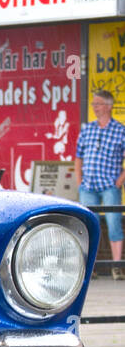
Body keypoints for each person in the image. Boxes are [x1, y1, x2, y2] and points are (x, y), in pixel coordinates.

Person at [74, 90, 125, 280]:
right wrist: (79, 181)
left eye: (98, 103)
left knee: (114, 223)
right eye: (93, 104)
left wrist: (120, 180)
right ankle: (90, 267)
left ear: (109, 106)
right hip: (88, 185)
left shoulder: (120, 130)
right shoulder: (87, 129)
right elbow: (78, 157)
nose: (95, 107)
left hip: (110, 184)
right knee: (88, 225)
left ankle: (116, 266)